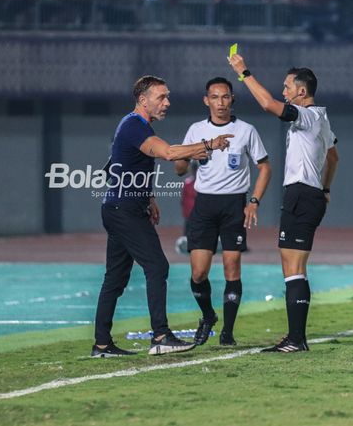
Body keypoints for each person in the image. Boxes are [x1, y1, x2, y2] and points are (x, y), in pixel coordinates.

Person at [92, 75, 233, 357]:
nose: (167, 102)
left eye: (167, 96)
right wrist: (209, 145)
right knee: (157, 267)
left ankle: (102, 344)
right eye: (161, 97)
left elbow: (117, 167)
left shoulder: (132, 126)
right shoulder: (134, 125)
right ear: (143, 101)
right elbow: (169, 153)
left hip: (121, 207)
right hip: (124, 210)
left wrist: (149, 197)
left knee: (115, 278)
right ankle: (160, 336)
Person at [227, 55, 338, 353]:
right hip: (308, 194)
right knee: (293, 267)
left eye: (288, 86)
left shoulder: (309, 115)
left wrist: (243, 73)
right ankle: (295, 337)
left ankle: (296, 339)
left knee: (294, 268)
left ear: (302, 91)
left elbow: (267, 104)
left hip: (301, 194)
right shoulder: (322, 119)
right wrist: (325, 188)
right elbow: (334, 157)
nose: (284, 91)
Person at [174, 77, 271, 347]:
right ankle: (208, 316)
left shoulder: (246, 131)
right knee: (198, 273)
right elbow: (179, 168)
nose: (220, 102)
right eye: (215, 97)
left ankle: (227, 332)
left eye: (225, 97)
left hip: (233, 206)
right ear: (206, 100)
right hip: (204, 206)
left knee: (231, 267)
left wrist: (254, 201)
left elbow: (265, 167)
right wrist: (192, 154)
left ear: (232, 100)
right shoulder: (196, 130)